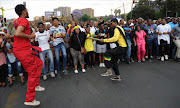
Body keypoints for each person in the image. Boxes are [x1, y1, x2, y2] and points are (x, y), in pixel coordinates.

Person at [13, 4, 44, 106]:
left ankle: (35, 85)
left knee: (39, 63)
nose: (27, 12)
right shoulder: (24, 20)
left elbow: (11, 34)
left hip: (22, 49)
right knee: (32, 73)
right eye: (27, 10)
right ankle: (29, 99)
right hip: (23, 51)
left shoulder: (15, 22)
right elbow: (17, 33)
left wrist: (26, 38)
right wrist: (30, 36)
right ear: (24, 11)